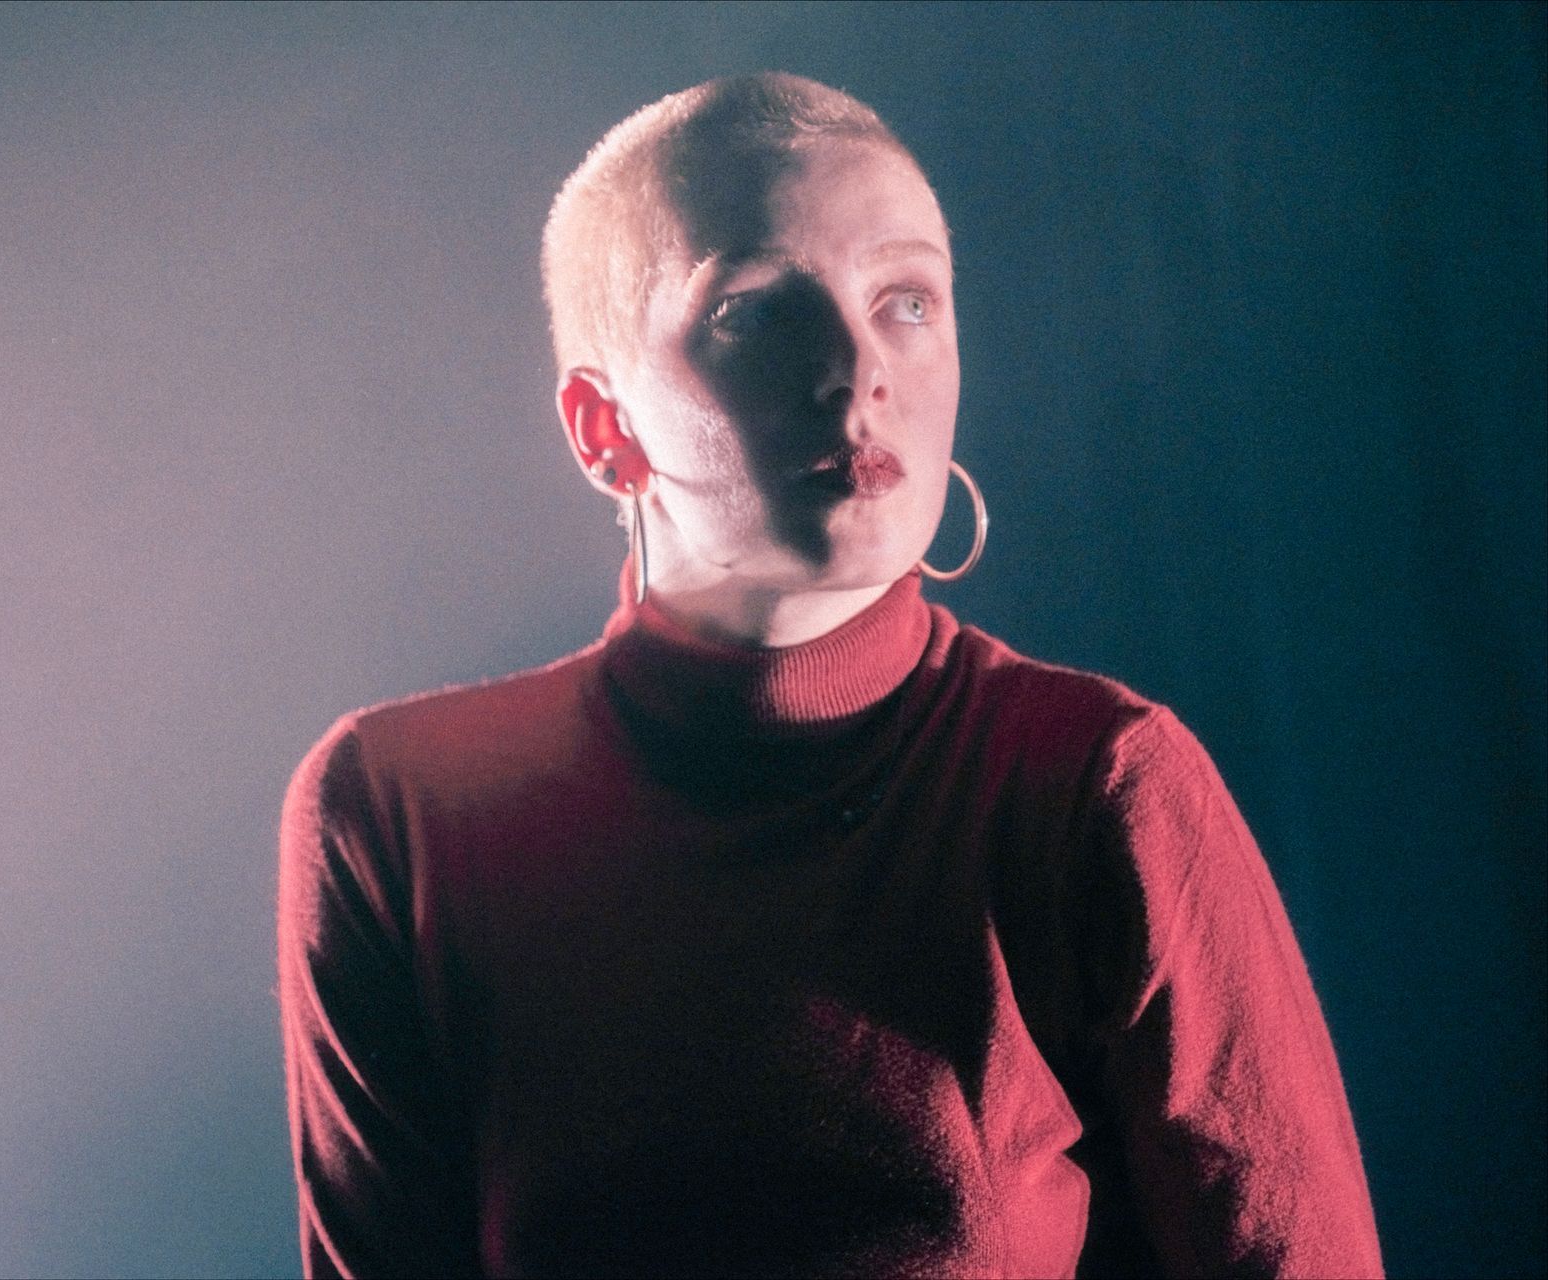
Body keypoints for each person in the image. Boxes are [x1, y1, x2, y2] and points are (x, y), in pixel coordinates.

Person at [277, 73, 1384, 1278]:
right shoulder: (398, 815)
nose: (859, 370)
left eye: (906, 301)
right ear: (605, 430)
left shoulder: (1098, 781)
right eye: (756, 312)